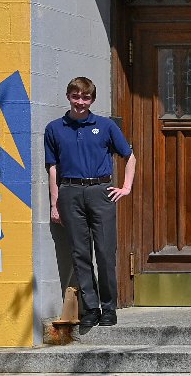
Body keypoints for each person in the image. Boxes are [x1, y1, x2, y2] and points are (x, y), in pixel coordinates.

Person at [45, 77, 137, 328]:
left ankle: (109, 308)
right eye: (76, 96)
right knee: (80, 253)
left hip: (100, 191)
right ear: (68, 97)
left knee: (106, 253)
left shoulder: (105, 126)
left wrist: (126, 187)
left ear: (92, 100)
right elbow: (52, 168)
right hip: (70, 192)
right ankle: (91, 308)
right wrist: (54, 204)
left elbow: (129, 156)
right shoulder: (55, 128)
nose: (80, 102)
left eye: (85, 98)